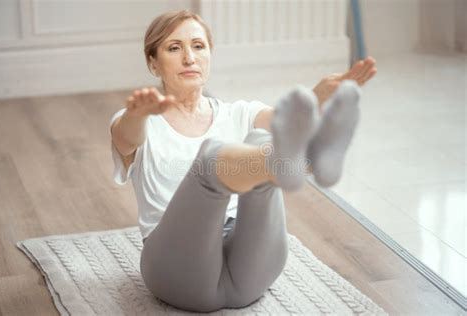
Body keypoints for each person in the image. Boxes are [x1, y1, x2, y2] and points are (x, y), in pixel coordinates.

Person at [109, 10, 377, 313]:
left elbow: (283, 122)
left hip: (250, 267)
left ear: (210, 54)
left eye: (198, 46)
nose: (189, 57)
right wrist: (138, 113)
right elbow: (126, 137)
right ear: (153, 62)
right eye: (174, 48)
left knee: (264, 141)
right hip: (177, 270)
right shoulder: (140, 122)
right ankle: (302, 159)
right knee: (211, 161)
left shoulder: (238, 113)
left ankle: (308, 153)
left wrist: (318, 97)